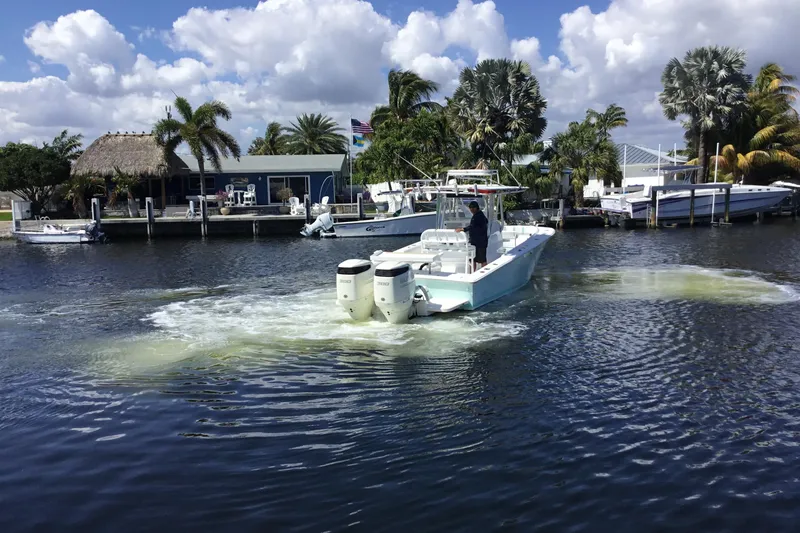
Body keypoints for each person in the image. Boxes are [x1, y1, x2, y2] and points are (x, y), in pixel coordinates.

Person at [455, 200, 488, 269]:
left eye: (473, 208)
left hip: (479, 242)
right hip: (479, 241)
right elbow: (485, 221)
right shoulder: (480, 214)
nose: (471, 209)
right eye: (470, 208)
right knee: (474, 258)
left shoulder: (477, 216)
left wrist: (462, 229)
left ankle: (479, 272)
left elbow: (472, 226)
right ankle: (473, 272)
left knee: (481, 259)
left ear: (477, 208)